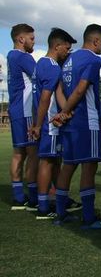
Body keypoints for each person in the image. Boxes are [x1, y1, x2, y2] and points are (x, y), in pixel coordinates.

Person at [50, 24, 101, 228]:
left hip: (69, 123)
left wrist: (64, 111)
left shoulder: (69, 59)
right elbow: (80, 90)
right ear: (96, 41)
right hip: (87, 123)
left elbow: (58, 88)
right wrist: (65, 111)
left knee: (67, 167)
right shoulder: (94, 60)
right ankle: (89, 218)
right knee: (89, 168)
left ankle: (61, 214)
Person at [29, 28, 77, 219]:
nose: (68, 51)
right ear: (57, 46)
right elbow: (45, 98)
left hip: (48, 121)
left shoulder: (41, 63)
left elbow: (55, 93)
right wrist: (39, 125)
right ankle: (43, 207)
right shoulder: (52, 67)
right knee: (47, 162)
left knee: (54, 161)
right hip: (49, 124)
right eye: (66, 47)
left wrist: (67, 111)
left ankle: (59, 199)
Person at [7, 24, 39, 210]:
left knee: (19, 153)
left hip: (15, 109)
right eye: (32, 38)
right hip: (26, 111)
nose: (33, 41)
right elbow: (41, 75)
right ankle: (34, 196)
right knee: (33, 153)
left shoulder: (11, 56)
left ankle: (18, 196)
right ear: (21, 39)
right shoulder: (23, 57)